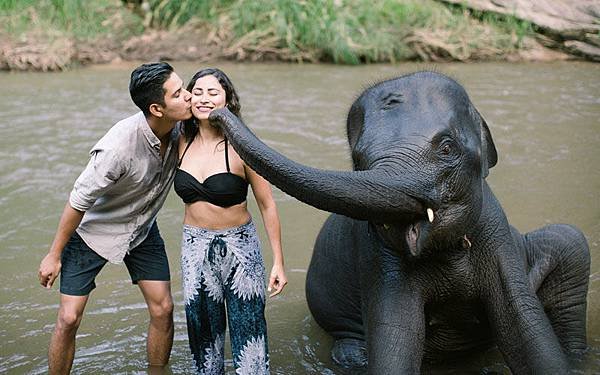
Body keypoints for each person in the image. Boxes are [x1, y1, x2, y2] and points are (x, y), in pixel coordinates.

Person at [38, 62, 192, 374]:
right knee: (69, 318)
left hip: (142, 229)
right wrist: (53, 255)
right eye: (178, 94)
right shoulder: (118, 148)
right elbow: (77, 201)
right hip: (93, 232)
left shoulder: (182, 129)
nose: (188, 96)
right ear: (156, 108)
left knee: (163, 309)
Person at [174, 67, 287, 374]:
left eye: (213, 93)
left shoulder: (243, 145)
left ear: (227, 100)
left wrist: (278, 261)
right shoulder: (177, 141)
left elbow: (267, 203)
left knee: (249, 332)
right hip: (195, 248)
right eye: (197, 92)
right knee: (202, 335)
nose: (204, 99)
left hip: (240, 249)